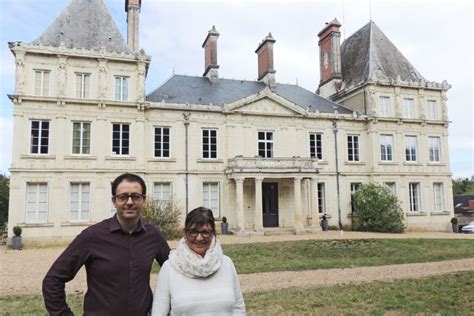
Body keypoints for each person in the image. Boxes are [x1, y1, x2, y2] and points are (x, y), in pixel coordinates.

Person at [43, 173, 170, 316]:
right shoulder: (92, 236)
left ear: (143, 200)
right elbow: (52, 280)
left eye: (135, 196)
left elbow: (176, 272)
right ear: (114, 201)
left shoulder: (153, 235)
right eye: (123, 197)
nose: (129, 202)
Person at [151, 207, 245, 315]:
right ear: (185, 233)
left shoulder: (226, 264)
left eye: (205, 232)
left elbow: (238, 308)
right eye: (193, 232)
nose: (199, 238)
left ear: (213, 233)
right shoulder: (170, 268)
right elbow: (158, 312)